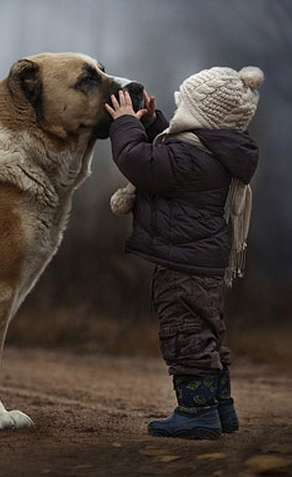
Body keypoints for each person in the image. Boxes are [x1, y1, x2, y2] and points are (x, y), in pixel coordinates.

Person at [104, 66, 263, 439]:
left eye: (182, 107)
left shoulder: (190, 160)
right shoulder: (211, 152)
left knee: (185, 334)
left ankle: (196, 414)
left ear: (201, 116)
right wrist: (151, 122)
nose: (176, 115)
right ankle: (221, 408)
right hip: (202, 263)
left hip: (183, 265)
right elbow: (168, 152)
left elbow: (138, 160)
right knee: (207, 333)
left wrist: (125, 124)